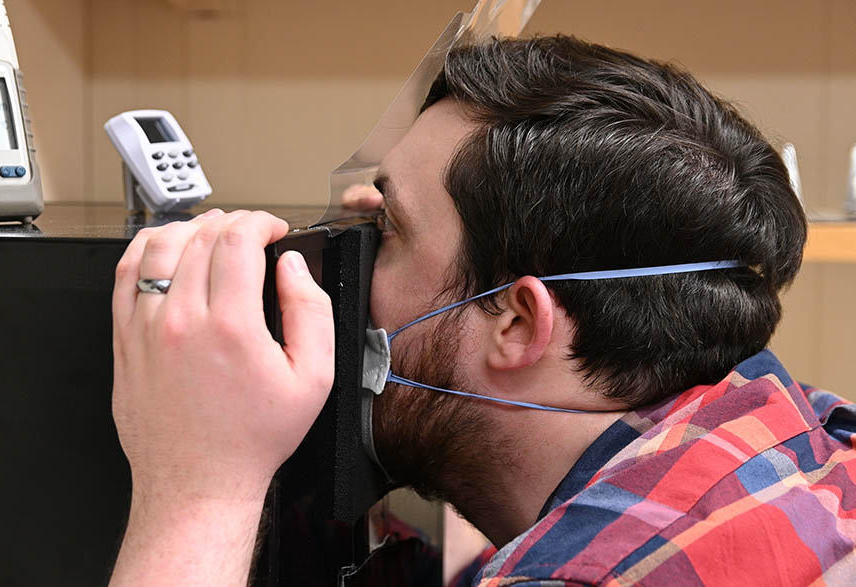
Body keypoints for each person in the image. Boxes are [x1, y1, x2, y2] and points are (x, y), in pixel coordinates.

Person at [107, 36, 856, 586]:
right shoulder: (800, 432)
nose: (342, 261)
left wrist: (197, 491)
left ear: (519, 323)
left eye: (388, 231)